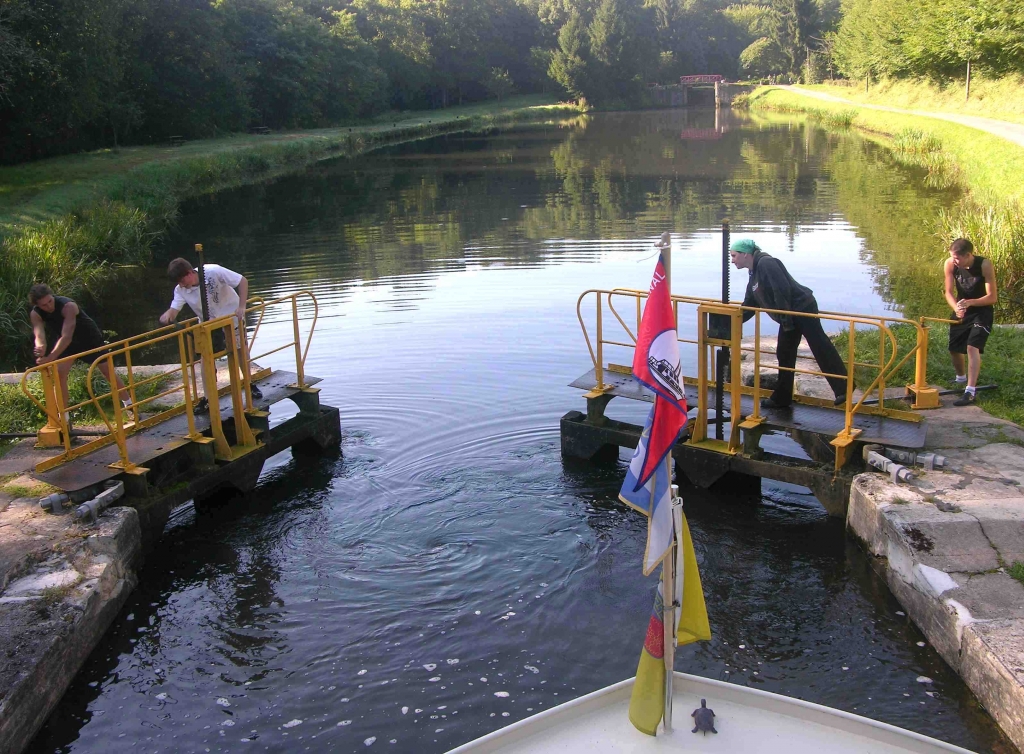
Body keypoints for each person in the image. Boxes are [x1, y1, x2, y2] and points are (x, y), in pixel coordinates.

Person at [729, 239, 848, 409]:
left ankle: (843, 387)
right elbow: (750, 303)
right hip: (789, 314)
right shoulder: (754, 272)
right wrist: (733, 320)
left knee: (819, 344)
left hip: (801, 308)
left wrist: (786, 321)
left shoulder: (767, 263)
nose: (732, 260)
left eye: (734, 256)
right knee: (784, 352)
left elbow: (781, 290)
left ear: (745, 254)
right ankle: (782, 398)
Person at [158, 258, 261, 412]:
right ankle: (208, 399)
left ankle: (249, 384)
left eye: (182, 280)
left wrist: (242, 306)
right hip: (208, 326)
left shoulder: (213, 271)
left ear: (190, 273)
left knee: (240, 351)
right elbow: (174, 309)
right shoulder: (180, 290)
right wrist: (168, 315)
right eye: (178, 282)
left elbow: (242, 281)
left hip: (232, 319)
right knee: (205, 360)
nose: (181, 285)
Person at [28, 284, 130, 418]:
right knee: (58, 376)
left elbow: (67, 336)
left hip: (89, 338)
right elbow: (39, 335)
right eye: (44, 305)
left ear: (53, 296)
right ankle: (64, 419)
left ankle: (129, 405)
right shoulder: (36, 314)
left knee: (107, 372)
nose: (49, 307)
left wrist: (51, 357)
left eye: (50, 301)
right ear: (37, 305)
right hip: (67, 344)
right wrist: (40, 347)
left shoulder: (68, 306)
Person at [943, 238, 997, 406]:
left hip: (982, 310)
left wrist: (971, 302)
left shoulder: (984, 265)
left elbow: (992, 297)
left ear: (968, 255)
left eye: (957, 258)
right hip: (962, 309)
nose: (954, 261)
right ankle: (961, 378)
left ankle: (970, 391)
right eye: (952, 257)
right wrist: (957, 307)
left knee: (972, 347)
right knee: (954, 347)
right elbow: (948, 292)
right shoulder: (950, 264)